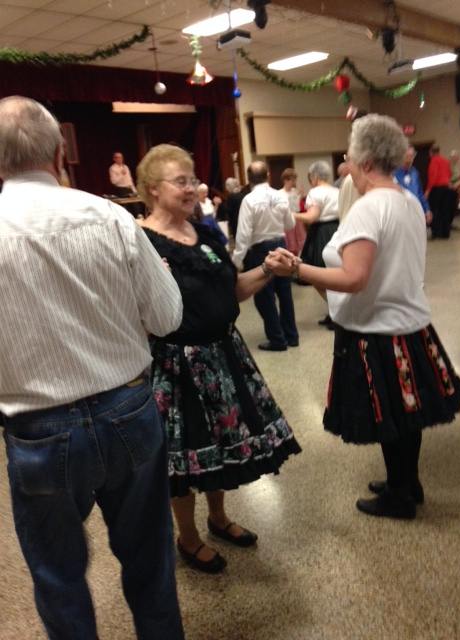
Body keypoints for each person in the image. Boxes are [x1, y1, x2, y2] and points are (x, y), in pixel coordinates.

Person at [0, 97, 185, 639]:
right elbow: (168, 317)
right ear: (61, 154)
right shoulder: (110, 216)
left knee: (57, 575)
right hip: (128, 406)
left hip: (37, 427)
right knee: (151, 562)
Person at [275, 114, 460, 520]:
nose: (346, 164)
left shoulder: (368, 208)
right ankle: (407, 482)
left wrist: (297, 268)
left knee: (391, 417)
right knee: (407, 413)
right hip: (410, 325)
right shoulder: (407, 200)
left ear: (364, 162)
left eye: (348, 157)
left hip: (378, 329)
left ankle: (398, 494)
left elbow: (354, 278)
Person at [136, 144, 301, 574]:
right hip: (176, 364)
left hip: (223, 355)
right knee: (183, 455)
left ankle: (218, 518)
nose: (192, 188)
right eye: (181, 181)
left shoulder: (206, 233)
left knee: (220, 445)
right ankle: (188, 538)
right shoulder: (142, 242)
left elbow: (233, 291)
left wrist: (267, 268)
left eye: (193, 180)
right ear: (152, 189)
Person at [232, 160, 299, 351]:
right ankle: (291, 336)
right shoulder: (280, 196)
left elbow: (243, 236)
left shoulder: (249, 200)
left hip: (261, 251)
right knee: (285, 293)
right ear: (268, 176)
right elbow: (290, 224)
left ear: (248, 178)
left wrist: (235, 263)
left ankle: (277, 339)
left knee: (264, 297)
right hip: (281, 247)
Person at [294, 160, 339, 329]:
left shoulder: (315, 192)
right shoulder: (337, 191)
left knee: (317, 275)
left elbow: (311, 217)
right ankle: (335, 312)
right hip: (337, 229)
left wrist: (291, 215)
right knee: (333, 274)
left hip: (321, 232)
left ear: (314, 176)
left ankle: (337, 311)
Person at [393, 146, 433, 224]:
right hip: (400, 214)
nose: (408, 159)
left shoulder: (415, 173)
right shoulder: (393, 173)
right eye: (406, 156)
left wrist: (427, 209)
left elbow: (420, 194)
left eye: (411, 156)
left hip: (415, 212)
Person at [425, 144, 452, 239]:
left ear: (431, 152)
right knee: (445, 210)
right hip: (446, 187)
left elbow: (433, 176)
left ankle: (436, 232)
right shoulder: (446, 161)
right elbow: (449, 173)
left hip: (436, 188)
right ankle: (446, 233)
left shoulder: (434, 161)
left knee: (434, 210)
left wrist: (428, 190)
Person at [280, 167, 306, 257]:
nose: (294, 183)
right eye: (292, 180)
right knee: (288, 248)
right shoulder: (280, 193)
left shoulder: (294, 191)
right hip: (287, 222)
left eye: (294, 180)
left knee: (296, 248)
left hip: (296, 220)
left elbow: (296, 205)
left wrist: (300, 194)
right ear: (286, 180)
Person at [109, 151, 143, 218]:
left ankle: (139, 218)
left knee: (135, 206)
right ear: (114, 159)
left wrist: (134, 191)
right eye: (118, 157)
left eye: (121, 157)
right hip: (121, 190)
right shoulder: (112, 168)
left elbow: (130, 180)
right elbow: (113, 181)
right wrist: (121, 174)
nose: (120, 159)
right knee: (127, 207)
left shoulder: (125, 167)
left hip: (129, 189)